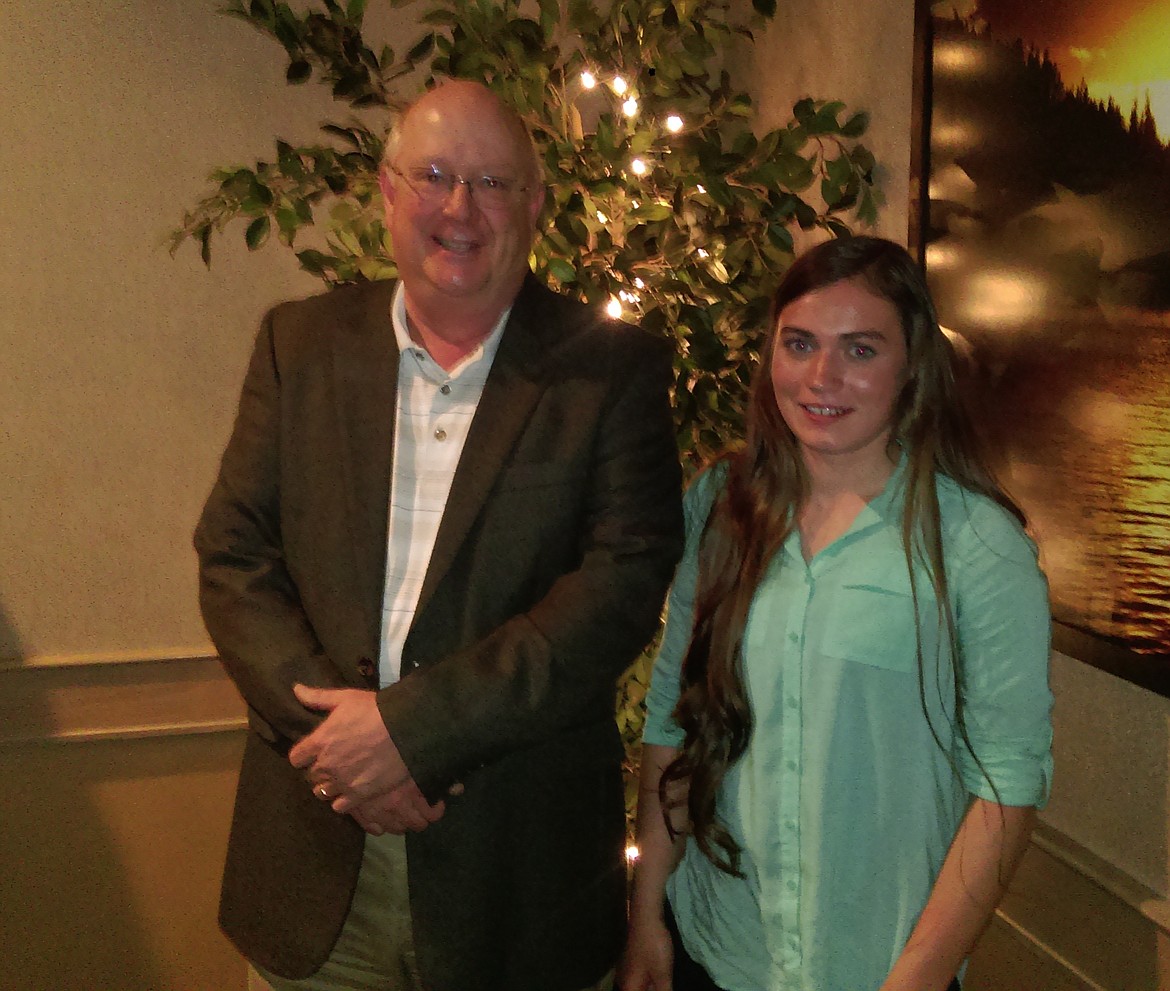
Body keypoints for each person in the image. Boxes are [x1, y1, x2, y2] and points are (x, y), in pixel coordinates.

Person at [195, 79, 684, 991]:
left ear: (535, 205)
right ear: (386, 192)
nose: (460, 206)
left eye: (493, 182)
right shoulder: (297, 345)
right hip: (317, 852)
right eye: (433, 174)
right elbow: (234, 556)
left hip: (518, 875)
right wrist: (343, 750)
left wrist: (413, 731)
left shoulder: (611, 368)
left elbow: (620, 585)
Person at [618, 236, 1053, 991]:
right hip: (715, 950)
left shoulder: (978, 546)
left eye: (859, 348)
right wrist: (647, 911)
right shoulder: (722, 508)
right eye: (800, 344)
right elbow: (673, 714)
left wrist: (914, 980)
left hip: (877, 969)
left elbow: (1006, 789)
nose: (822, 377)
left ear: (911, 364)